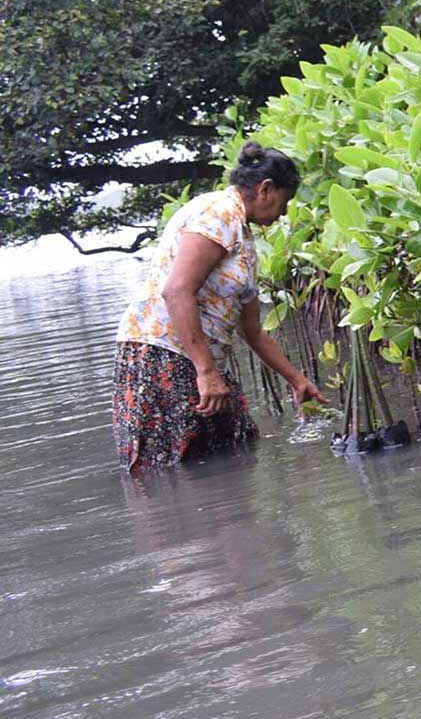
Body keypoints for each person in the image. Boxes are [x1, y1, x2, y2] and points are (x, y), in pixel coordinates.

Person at [113, 140, 327, 471]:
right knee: (172, 465)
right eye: (286, 202)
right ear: (266, 189)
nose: (285, 213)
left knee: (234, 448)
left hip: (197, 357)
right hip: (163, 354)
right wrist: (207, 372)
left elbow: (252, 331)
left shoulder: (243, 237)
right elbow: (177, 291)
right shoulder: (218, 214)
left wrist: (297, 379)